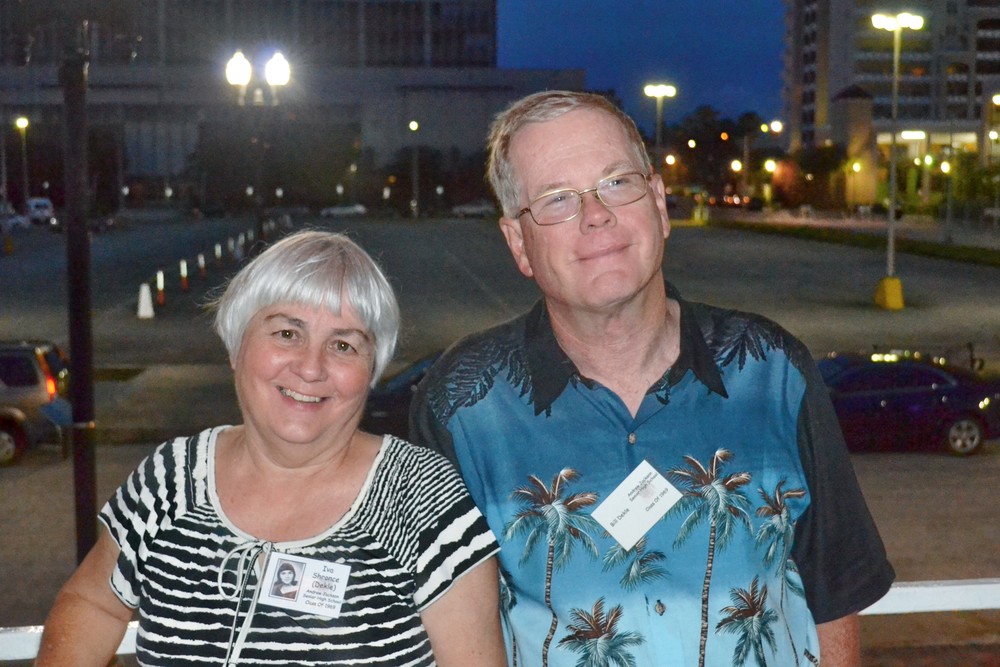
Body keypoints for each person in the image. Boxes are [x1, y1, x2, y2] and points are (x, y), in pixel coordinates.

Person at [410, 91, 894, 667]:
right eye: (557, 199)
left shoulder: (773, 369)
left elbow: (835, 593)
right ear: (519, 243)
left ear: (659, 205)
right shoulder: (461, 407)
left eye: (617, 183)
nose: (596, 214)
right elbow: (449, 632)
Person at [37, 230, 506, 666]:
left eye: (344, 345)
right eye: (287, 333)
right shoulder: (171, 479)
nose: (311, 367)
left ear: (372, 369)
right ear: (236, 345)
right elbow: (92, 603)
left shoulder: (423, 498)